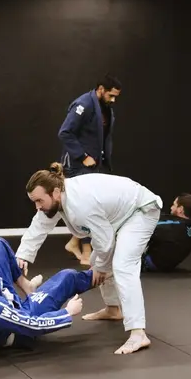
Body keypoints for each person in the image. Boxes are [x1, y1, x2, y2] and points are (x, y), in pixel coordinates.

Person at [15, 162, 162, 355]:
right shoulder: (55, 199)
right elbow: (38, 227)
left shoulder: (80, 205)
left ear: (56, 193)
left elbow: (106, 241)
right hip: (120, 214)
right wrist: (22, 255)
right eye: (34, 201)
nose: (37, 207)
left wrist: (101, 267)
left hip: (140, 210)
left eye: (40, 201)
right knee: (97, 260)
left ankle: (138, 333)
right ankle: (113, 309)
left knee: (122, 265)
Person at [58, 75, 122, 266]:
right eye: (111, 95)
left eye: (116, 97)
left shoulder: (105, 108)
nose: (113, 100)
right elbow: (65, 132)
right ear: (101, 89)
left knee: (95, 205)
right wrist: (82, 156)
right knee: (87, 207)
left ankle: (73, 243)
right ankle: (86, 252)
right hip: (78, 164)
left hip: (95, 165)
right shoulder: (83, 104)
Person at [142, 193, 191, 272]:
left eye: (174, 205)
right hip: (165, 265)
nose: (171, 207)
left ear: (180, 209)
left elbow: (146, 228)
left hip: (146, 263)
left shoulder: (174, 227)